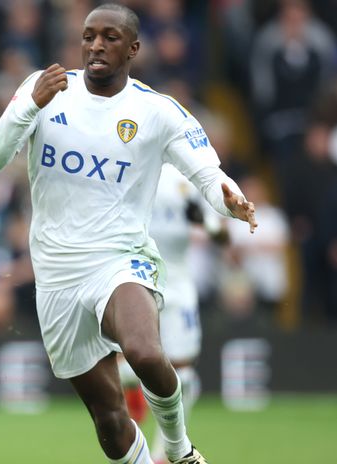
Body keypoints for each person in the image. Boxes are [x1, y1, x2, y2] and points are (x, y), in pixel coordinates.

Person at [0, 4, 257, 464]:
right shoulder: (45, 90)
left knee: (144, 353)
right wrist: (28, 106)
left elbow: (207, 174)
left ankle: (180, 450)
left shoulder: (156, 110)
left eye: (109, 37)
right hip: (57, 275)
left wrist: (232, 201)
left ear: (133, 48)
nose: (96, 46)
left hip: (121, 259)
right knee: (109, 420)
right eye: (89, 36)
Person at [118, 163, 229, 463]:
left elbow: (225, 237)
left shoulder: (192, 171)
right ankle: (133, 387)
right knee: (127, 363)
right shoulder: (130, 161)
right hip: (136, 275)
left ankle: (163, 455)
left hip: (178, 282)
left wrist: (207, 222)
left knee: (184, 374)